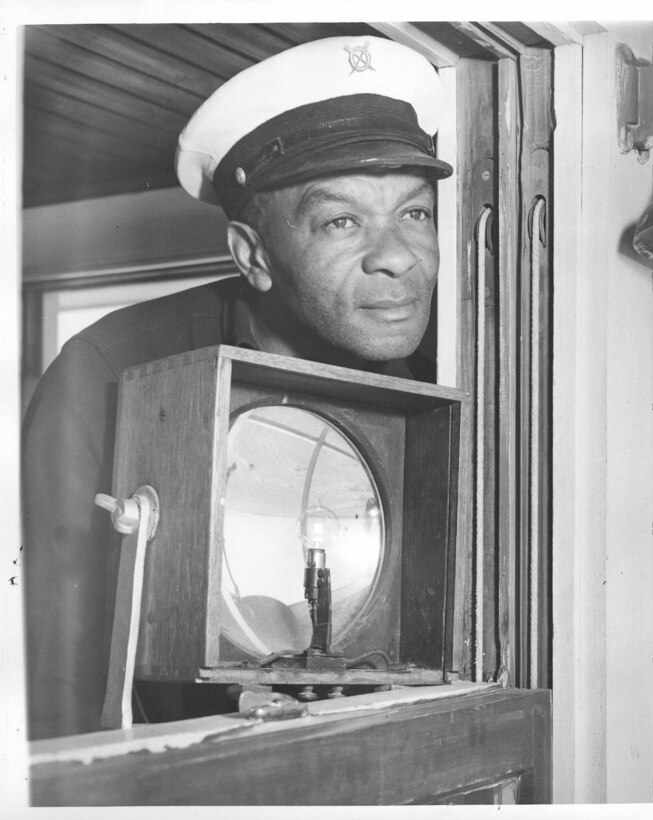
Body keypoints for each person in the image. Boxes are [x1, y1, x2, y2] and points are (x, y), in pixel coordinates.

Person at [21, 35, 453, 740]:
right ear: (253, 255)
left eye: (415, 213)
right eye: (342, 221)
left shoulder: (437, 385)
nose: (399, 258)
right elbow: (53, 683)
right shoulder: (108, 372)